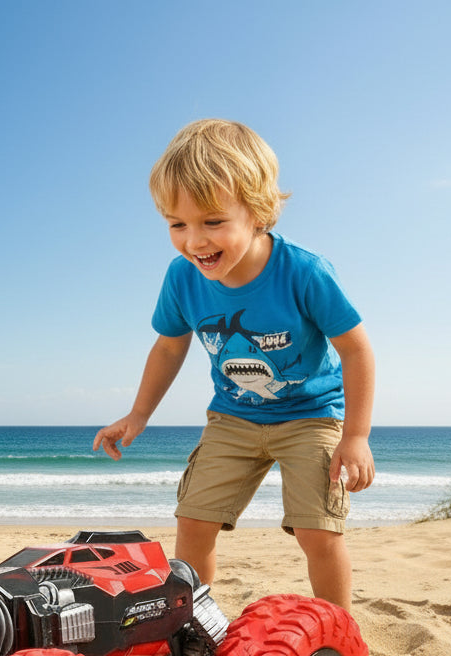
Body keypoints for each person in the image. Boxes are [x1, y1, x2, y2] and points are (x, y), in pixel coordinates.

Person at [93, 119, 375, 613]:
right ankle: (193, 627)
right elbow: (168, 346)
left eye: (212, 221)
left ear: (258, 211)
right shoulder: (183, 277)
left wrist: (355, 436)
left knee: (317, 530)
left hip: (311, 415)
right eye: (177, 225)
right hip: (233, 418)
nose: (194, 241)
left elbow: (356, 349)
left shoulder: (303, 272)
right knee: (193, 523)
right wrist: (138, 415)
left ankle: (340, 632)